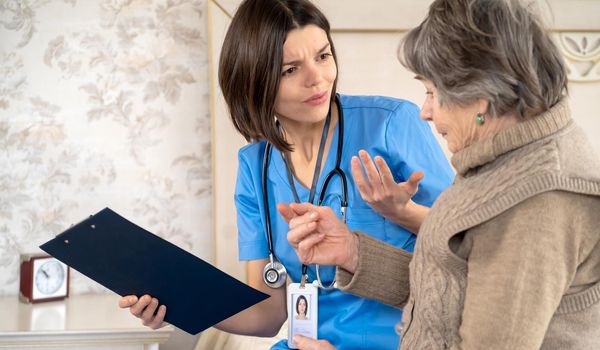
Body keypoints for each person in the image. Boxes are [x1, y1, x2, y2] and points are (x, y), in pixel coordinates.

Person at [118, 0, 454, 349]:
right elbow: (268, 314)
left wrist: (404, 213)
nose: (318, 79)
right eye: (290, 70)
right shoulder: (255, 167)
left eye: (323, 56)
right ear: (255, 83)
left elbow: (471, 244)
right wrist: (175, 302)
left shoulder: (392, 124)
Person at [281, 0, 600, 349]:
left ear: (479, 99)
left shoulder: (536, 204)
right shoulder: (509, 160)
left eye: (432, 92)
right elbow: (457, 295)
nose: (425, 112)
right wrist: (353, 253)